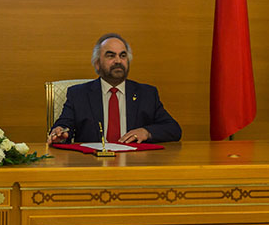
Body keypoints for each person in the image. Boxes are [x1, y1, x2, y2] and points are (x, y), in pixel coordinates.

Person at [48, 33, 180, 145]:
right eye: (111, 56)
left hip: (134, 162)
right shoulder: (78, 94)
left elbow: (173, 129)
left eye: (123, 56)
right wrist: (60, 133)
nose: (118, 61)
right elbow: (64, 125)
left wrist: (146, 132)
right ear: (97, 64)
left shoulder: (147, 94)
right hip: (92, 162)